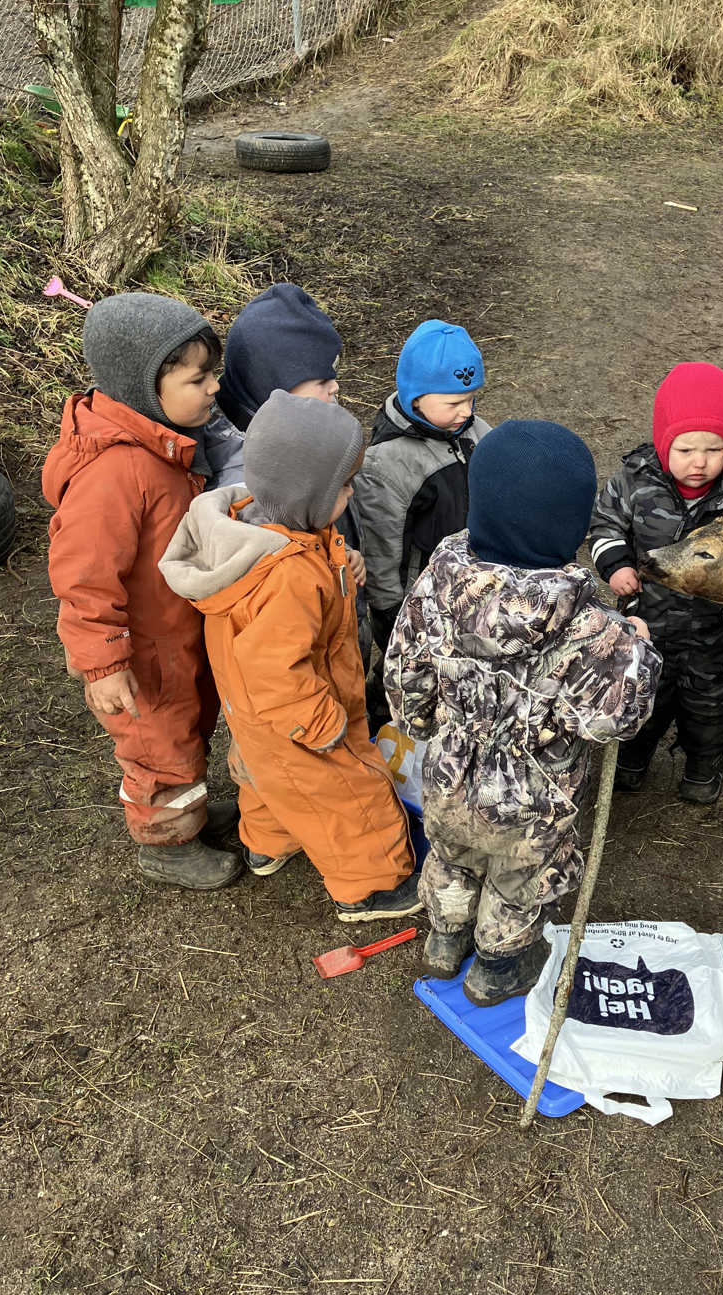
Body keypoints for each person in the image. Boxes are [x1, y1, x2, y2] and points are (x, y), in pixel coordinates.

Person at [384, 420, 661, 1006]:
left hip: (449, 776)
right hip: (534, 799)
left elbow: (404, 671)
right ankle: (498, 964)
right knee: (519, 878)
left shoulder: (439, 583)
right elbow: (617, 718)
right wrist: (637, 647)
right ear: (571, 527)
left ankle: (444, 937)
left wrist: (423, 723)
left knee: (452, 854)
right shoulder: (591, 629)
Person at [159, 393, 420, 922]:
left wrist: (342, 565)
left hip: (257, 723)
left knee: (267, 780)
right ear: (307, 492)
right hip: (302, 716)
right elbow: (276, 668)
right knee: (352, 796)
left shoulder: (257, 532)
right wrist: (323, 727)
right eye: (343, 486)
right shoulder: (289, 576)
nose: (350, 493)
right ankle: (370, 888)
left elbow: (302, 586)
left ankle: (265, 845)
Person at [42, 292, 242, 890]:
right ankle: (165, 841)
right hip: (142, 649)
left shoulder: (165, 442)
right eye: (197, 378)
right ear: (144, 385)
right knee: (157, 745)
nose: (213, 389)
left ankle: (191, 809)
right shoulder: (116, 473)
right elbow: (83, 577)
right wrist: (102, 662)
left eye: (214, 374)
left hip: (174, 633)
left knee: (186, 726)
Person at [587, 362, 723, 804]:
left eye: (713, 449)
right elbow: (604, 527)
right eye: (686, 449)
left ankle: (704, 762)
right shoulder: (633, 483)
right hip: (644, 625)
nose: (699, 462)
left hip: (711, 632)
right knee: (640, 697)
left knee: (709, 705)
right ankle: (632, 759)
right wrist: (615, 564)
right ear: (662, 442)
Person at [207, 282, 372, 676]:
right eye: (320, 379)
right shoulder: (248, 483)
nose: (335, 386)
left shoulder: (307, 438)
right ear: (271, 385)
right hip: (305, 667)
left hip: (339, 620)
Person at [351, 318, 491, 725]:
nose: (466, 411)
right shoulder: (386, 463)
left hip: (468, 583)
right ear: (415, 397)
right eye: (453, 403)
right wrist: (391, 608)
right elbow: (381, 545)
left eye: (472, 398)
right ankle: (381, 719)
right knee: (407, 673)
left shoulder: (473, 431)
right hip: (417, 598)